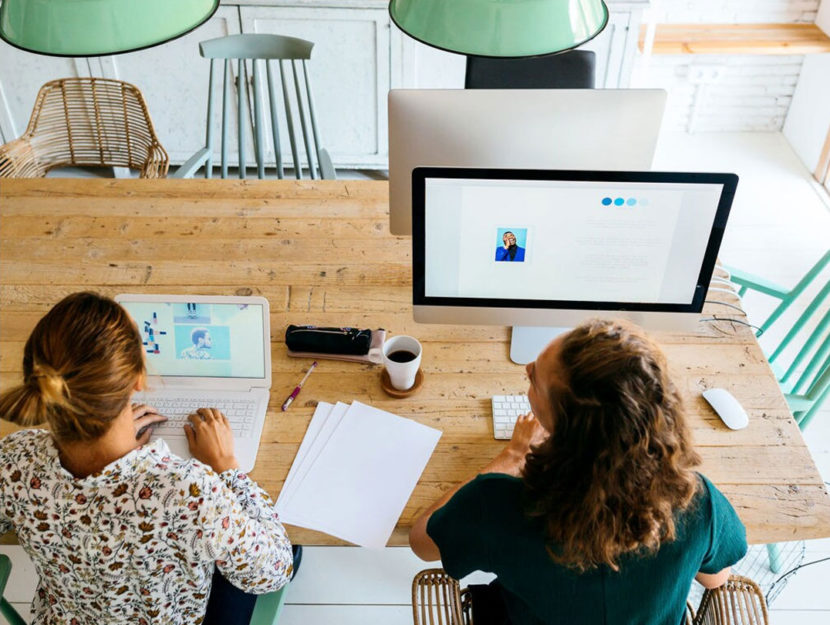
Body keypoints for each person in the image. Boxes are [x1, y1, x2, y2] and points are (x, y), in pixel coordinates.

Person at [410, 319, 747, 625]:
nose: (527, 368)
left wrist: (512, 456)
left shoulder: (498, 504)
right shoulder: (695, 502)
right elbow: (716, 578)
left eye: (535, 380)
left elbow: (423, 542)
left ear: (567, 431)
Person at [0, 292, 293, 625]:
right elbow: (274, 571)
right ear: (139, 380)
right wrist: (226, 468)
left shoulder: (13, 460)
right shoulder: (188, 491)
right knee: (287, 550)